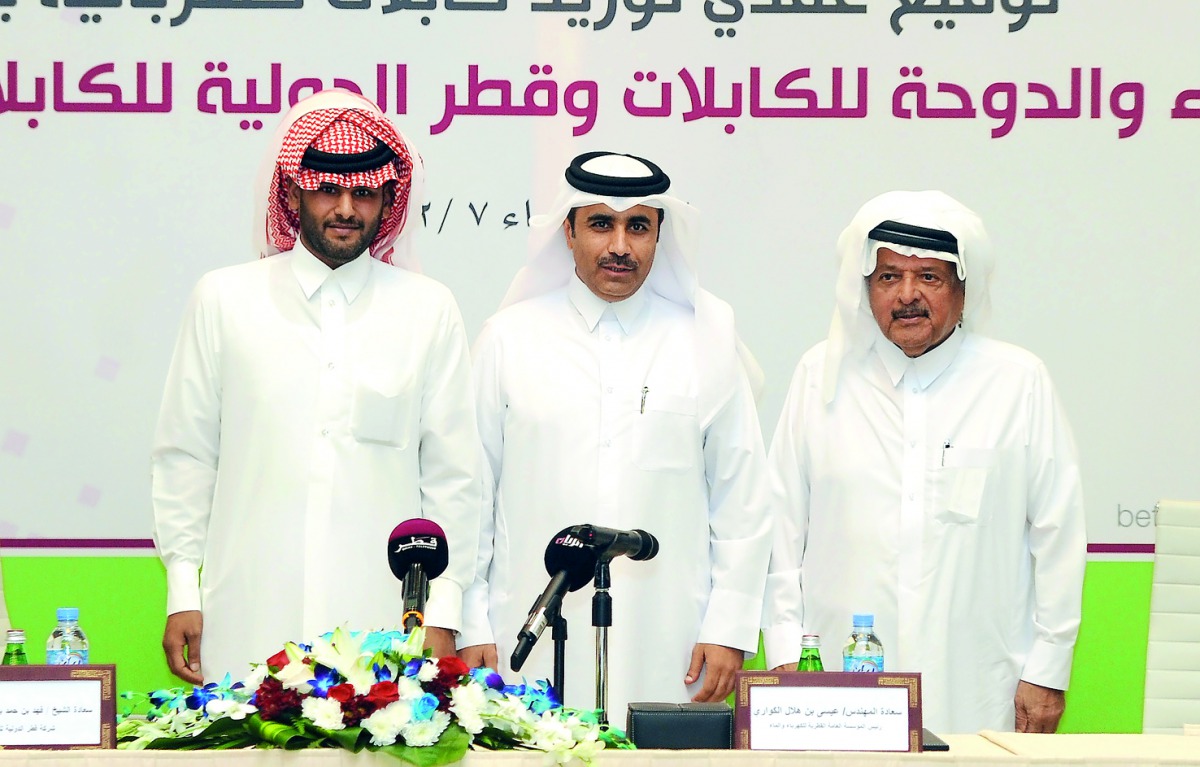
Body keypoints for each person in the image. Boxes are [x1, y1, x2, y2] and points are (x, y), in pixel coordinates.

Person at [151, 90, 481, 684]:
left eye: (365, 192)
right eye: (328, 189)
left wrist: (446, 607)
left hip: (386, 617)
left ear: (388, 198)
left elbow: (454, 475)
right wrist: (182, 587)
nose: (346, 208)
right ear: (294, 192)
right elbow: (187, 456)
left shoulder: (427, 310)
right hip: (250, 607)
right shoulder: (225, 300)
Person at [458, 151, 772, 719]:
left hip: (672, 640)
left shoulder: (705, 341)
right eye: (601, 224)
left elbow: (742, 500)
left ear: (658, 237)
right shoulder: (508, 340)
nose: (620, 246)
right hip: (525, 634)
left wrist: (729, 625)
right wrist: (470, 620)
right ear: (569, 234)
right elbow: (471, 493)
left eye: (638, 227)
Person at [762, 190, 1086, 734]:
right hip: (835, 689)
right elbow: (781, 526)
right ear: (865, 289)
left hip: (978, 683)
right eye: (888, 277)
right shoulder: (822, 376)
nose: (907, 295)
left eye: (929, 278)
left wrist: (1048, 669)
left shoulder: (1016, 382)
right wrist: (785, 652)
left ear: (963, 289)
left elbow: (1058, 533)